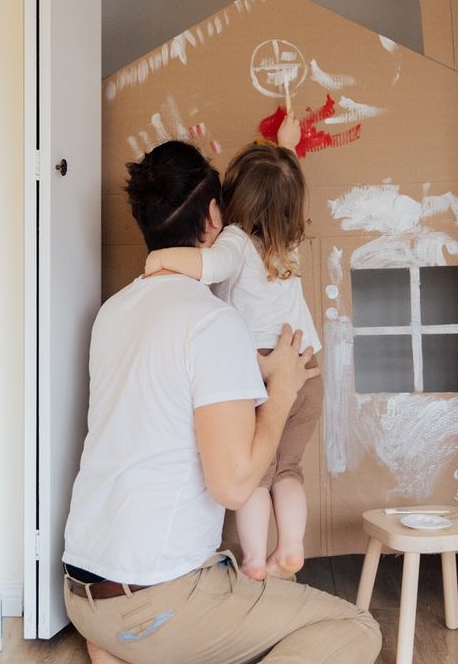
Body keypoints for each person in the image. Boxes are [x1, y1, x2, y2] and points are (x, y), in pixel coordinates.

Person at [62, 139, 381, 664]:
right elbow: (233, 486)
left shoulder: (113, 312)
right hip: (154, 602)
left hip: (84, 595)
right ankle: (146, 640)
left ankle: (120, 645)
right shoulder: (213, 323)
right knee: (354, 627)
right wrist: (281, 389)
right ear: (214, 213)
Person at [144, 112, 321, 582]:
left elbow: (205, 265)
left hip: (261, 372)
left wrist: (160, 257)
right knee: (290, 470)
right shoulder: (291, 241)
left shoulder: (237, 242)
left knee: (258, 474)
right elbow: (285, 185)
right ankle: (294, 545)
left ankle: (256, 558)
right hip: (307, 369)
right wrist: (289, 149)